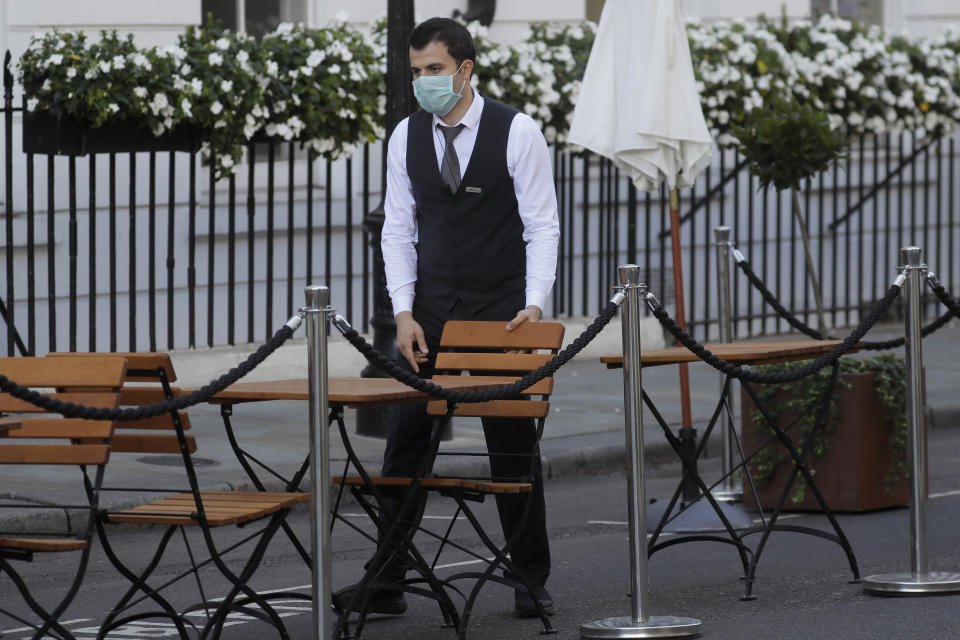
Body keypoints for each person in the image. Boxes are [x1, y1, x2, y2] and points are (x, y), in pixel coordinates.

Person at [336, 17, 560, 619]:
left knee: (512, 448)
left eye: (433, 70)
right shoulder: (405, 137)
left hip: (501, 313)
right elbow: (398, 231)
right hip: (431, 313)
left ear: (464, 70)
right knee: (405, 448)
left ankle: (528, 578)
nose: (424, 82)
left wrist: (534, 303)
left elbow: (542, 224)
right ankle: (386, 580)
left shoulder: (517, 132)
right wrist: (403, 312)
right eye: (416, 72)